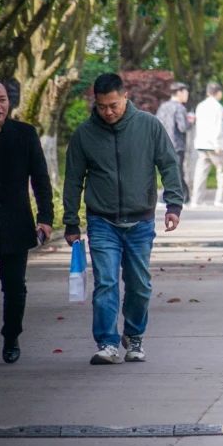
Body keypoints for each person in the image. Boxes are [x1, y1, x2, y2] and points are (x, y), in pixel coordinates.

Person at [62, 72, 184, 365]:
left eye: (113, 105)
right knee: (106, 282)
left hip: (140, 220)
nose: (108, 112)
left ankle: (135, 335)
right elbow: (73, 179)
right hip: (102, 221)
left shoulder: (148, 126)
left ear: (125, 96)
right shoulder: (85, 134)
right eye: (102, 106)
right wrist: (70, 221)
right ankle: (107, 342)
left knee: (139, 284)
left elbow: (168, 164)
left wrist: (173, 205)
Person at [0, 79, 53, 364]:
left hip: (14, 223)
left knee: (15, 287)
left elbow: (40, 179)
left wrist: (45, 218)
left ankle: (11, 336)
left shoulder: (24, 134)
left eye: (3, 99)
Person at [190, 82, 223, 208]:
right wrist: (217, 143)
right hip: (215, 144)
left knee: (201, 173)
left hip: (201, 143)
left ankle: (196, 200)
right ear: (218, 93)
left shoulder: (200, 106)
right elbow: (218, 127)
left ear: (208, 92)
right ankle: (221, 200)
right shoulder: (218, 107)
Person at [155, 81, 191, 197]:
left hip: (163, 144)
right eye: (186, 92)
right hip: (177, 145)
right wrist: (191, 121)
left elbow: (157, 124)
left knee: (168, 171)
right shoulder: (180, 108)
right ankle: (180, 197)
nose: (187, 95)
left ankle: (182, 196)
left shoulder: (163, 106)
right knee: (177, 172)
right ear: (179, 92)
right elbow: (183, 127)